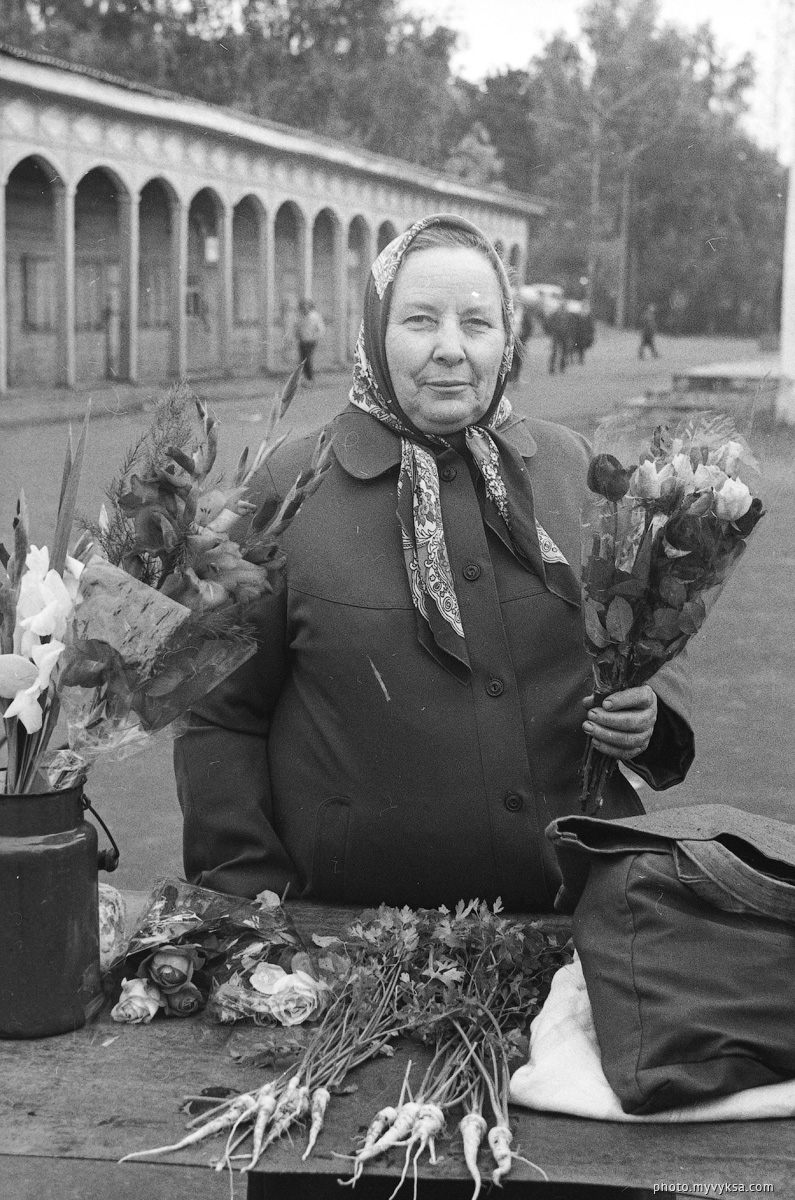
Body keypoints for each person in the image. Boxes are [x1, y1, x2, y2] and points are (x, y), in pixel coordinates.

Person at [174, 213, 693, 914]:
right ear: (373, 331)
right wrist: (251, 902)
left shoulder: (571, 467)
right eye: (419, 320)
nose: (451, 349)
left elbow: (648, 641)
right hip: (359, 930)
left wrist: (649, 717)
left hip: (582, 909)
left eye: (476, 324)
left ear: (507, 337)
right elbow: (218, 715)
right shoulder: (285, 491)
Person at [295, 297, 325, 381]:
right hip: (302, 340)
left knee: (307, 359)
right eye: (303, 305)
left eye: (306, 305)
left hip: (311, 341)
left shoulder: (314, 316)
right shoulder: (300, 316)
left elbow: (321, 328)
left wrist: (316, 337)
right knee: (302, 359)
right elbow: (298, 327)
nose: (304, 307)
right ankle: (306, 378)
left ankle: (310, 378)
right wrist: (297, 334)